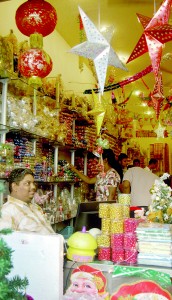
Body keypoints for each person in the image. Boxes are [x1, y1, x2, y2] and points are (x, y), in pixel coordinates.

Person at [0, 168, 55, 234]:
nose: (33, 187)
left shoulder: (35, 207)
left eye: (33, 183)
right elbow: (7, 242)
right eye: (27, 183)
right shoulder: (7, 212)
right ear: (14, 187)